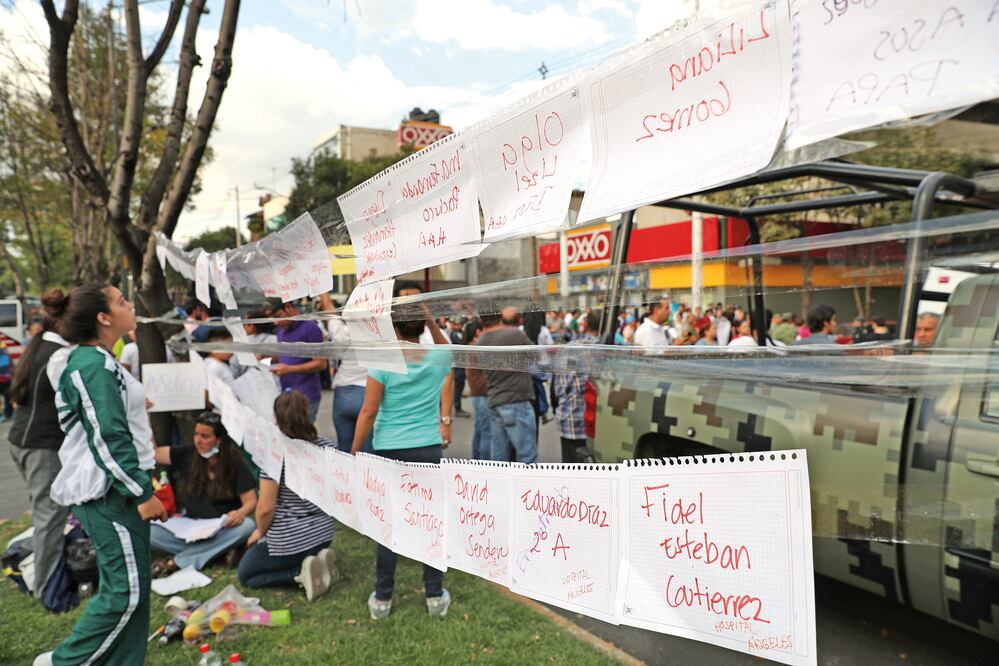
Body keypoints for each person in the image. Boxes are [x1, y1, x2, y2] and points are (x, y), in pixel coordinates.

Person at [35, 284, 168, 666]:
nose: (130, 305)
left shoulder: (100, 360)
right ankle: (62, 662)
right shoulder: (90, 365)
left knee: (134, 590)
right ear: (103, 317)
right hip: (110, 494)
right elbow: (108, 437)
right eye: (122, 302)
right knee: (124, 592)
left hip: (119, 489)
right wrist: (142, 493)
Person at [352, 307, 453, 621]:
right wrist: (431, 318)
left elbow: (368, 412)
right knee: (429, 521)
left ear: (393, 328)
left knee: (390, 525)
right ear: (422, 326)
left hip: (390, 449)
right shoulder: (438, 358)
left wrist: (354, 450)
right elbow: (447, 346)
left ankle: (383, 597)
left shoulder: (383, 361)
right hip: (427, 448)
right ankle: (434, 594)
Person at [238, 391, 338, 599]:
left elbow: (266, 508)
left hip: (289, 539)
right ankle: (317, 561)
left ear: (277, 418)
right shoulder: (328, 447)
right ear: (307, 413)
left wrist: (259, 532)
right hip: (324, 532)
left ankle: (298, 574)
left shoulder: (274, 455)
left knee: (246, 575)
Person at [8, 290, 71, 607]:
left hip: (23, 441)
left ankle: (41, 570)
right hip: (39, 446)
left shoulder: (42, 345)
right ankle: (45, 589)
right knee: (50, 517)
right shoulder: (57, 354)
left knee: (47, 513)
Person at [151, 412, 257, 573]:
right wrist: (143, 416)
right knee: (150, 531)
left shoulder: (234, 462)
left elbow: (251, 500)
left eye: (205, 436)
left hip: (221, 529)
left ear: (219, 440)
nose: (198, 441)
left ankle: (179, 560)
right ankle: (217, 553)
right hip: (190, 526)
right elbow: (155, 454)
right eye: (196, 434)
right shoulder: (188, 453)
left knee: (248, 526)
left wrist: (241, 513)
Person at [477, 313, 538, 463]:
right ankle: (529, 487)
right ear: (500, 315)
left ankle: (500, 486)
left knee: (499, 459)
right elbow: (536, 356)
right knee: (527, 456)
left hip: (495, 401)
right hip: (516, 401)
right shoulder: (514, 333)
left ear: (481, 319)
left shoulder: (481, 340)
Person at [553, 310, 600, 463]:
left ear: (585, 323)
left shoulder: (569, 349)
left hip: (569, 421)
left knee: (570, 475)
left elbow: (558, 388)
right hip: (597, 427)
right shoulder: (610, 349)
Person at [273, 299, 327, 421]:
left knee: (302, 436)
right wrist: (266, 358)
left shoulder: (310, 328)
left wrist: (289, 369)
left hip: (305, 396)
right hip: (286, 395)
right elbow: (287, 355)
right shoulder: (281, 331)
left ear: (288, 307)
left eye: (278, 316)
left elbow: (321, 363)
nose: (276, 322)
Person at [463, 322, 492, 460]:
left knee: (480, 429)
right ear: (477, 332)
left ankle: (476, 460)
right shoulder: (476, 348)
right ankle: (485, 463)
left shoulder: (470, 347)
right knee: (487, 432)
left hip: (476, 393)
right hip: (482, 393)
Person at [0, 341, 12, 422]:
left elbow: (8, 359)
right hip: (3, 377)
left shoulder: (2, 345)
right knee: (7, 395)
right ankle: (6, 414)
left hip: (5, 377)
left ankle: (8, 413)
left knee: (8, 396)